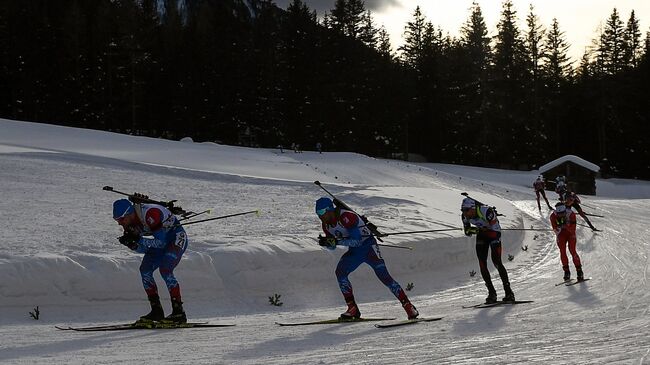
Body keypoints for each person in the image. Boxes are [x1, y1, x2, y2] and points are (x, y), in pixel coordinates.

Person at [315, 197, 418, 320]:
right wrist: (328, 243)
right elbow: (333, 246)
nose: (320, 216)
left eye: (321, 212)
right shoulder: (326, 226)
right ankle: (352, 309)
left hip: (369, 248)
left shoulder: (346, 217)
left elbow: (357, 241)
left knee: (385, 277)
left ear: (330, 209)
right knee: (340, 273)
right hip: (355, 252)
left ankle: (408, 307)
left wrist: (336, 241)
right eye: (317, 213)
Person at [113, 198, 189, 323]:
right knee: (145, 270)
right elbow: (144, 250)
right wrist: (133, 245)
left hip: (175, 238)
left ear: (129, 213)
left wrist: (139, 240)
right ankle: (156, 311)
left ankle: (179, 312)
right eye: (116, 220)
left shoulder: (150, 213)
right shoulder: (129, 224)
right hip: (161, 242)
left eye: (121, 219)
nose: (119, 223)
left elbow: (161, 242)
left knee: (165, 269)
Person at [461, 197, 515, 304]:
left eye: (466, 210)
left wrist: (482, 229)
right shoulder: (465, 216)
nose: (465, 213)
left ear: (473, 208)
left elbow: (493, 225)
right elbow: (467, 231)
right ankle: (491, 293)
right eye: (462, 210)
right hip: (482, 234)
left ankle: (509, 292)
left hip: (494, 233)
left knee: (496, 262)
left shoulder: (486, 211)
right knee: (482, 263)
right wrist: (476, 230)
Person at [550, 203, 584, 281]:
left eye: (563, 213)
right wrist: (558, 228)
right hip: (561, 234)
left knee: (572, 250)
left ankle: (579, 271)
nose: (561, 215)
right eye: (559, 214)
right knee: (562, 251)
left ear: (565, 211)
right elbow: (555, 229)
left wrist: (566, 226)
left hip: (570, 233)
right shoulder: (553, 216)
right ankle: (566, 271)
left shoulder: (571, 214)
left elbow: (573, 229)